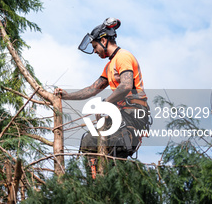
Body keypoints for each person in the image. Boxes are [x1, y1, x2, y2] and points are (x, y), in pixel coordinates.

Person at [55, 18, 150, 159]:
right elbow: (92, 89)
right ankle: (96, 178)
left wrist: (104, 105)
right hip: (122, 113)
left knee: (116, 142)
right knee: (89, 141)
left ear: (104, 41)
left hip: (133, 113)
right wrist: (67, 96)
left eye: (95, 46)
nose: (94, 51)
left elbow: (126, 85)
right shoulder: (109, 66)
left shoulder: (123, 56)